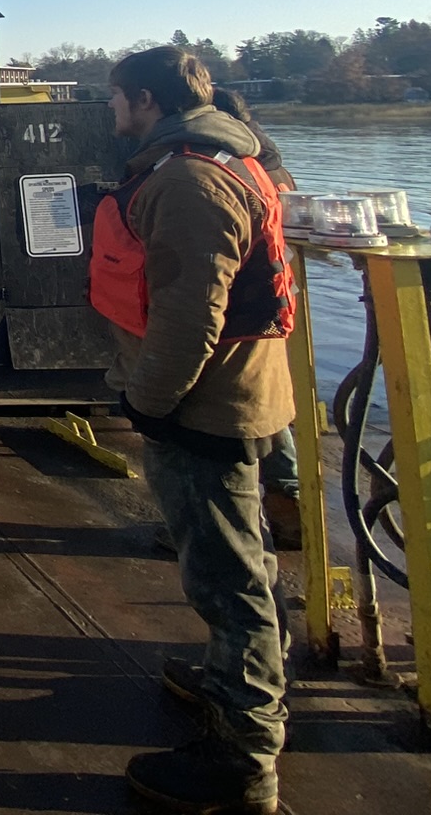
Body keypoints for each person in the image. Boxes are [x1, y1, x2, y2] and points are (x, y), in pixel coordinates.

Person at [92, 45, 294, 815]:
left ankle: (242, 759)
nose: (109, 114)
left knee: (227, 579)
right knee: (246, 559)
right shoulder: (219, 157)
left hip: (205, 405)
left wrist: (148, 399)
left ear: (144, 100)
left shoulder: (187, 178)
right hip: (231, 393)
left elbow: (189, 310)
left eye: (113, 101)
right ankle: (233, 682)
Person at [210, 87, 304, 551]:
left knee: (245, 412)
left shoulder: (230, 168)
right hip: (275, 300)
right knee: (269, 403)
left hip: (245, 307)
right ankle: (291, 505)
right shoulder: (268, 164)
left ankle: (275, 505)